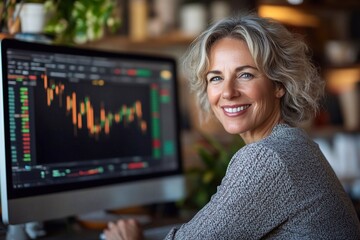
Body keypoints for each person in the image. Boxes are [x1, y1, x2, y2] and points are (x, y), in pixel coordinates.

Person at [103, 12, 360, 239]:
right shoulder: (294, 143)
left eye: (245, 74)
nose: (227, 92)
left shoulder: (266, 158)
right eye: (216, 77)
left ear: (279, 84)